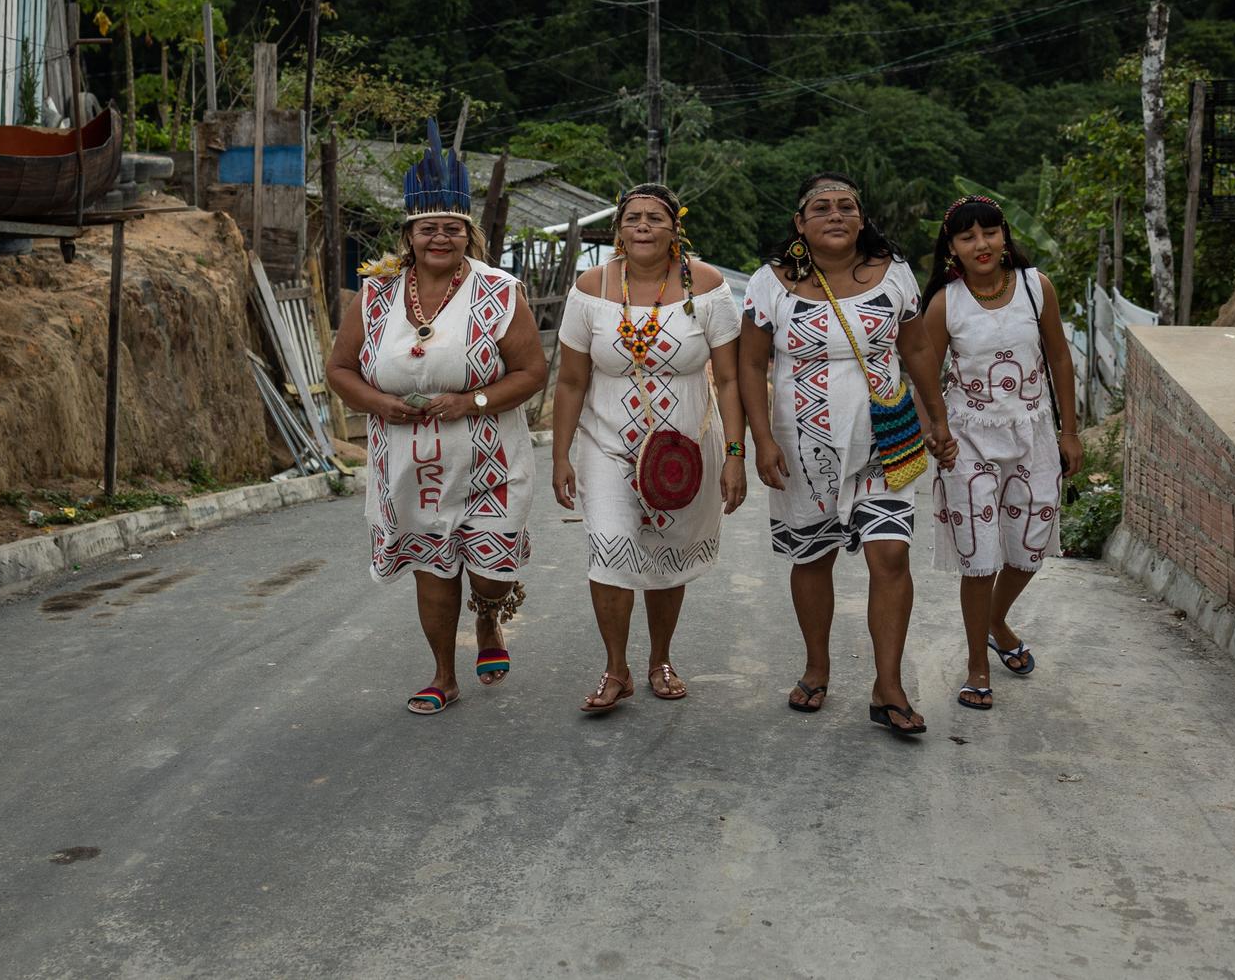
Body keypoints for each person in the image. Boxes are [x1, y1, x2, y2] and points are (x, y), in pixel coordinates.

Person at [324, 118, 547, 715]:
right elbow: (341, 370)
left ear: (468, 235)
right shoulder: (374, 295)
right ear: (410, 235)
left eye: (452, 229)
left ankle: (492, 612)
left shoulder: (500, 291)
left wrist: (470, 401)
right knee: (432, 566)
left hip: (489, 458)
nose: (439, 239)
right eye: (428, 229)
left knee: (491, 564)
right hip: (409, 462)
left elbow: (531, 373)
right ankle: (444, 674)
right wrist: (378, 404)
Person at [737, 172, 949, 739]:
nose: (836, 215)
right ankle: (817, 666)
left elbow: (918, 347)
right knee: (812, 558)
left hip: (884, 439)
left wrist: (938, 418)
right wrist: (761, 439)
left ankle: (889, 687)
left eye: (847, 207)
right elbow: (751, 365)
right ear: (799, 224)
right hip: (800, 446)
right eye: (822, 208)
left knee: (891, 558)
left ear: (862, 218)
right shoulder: (770, 284)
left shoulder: (893, 274)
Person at [552, 183, 746, 712]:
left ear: (674, 228)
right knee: (610, 549)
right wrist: (560, 455)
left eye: (655, 217)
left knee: (668, 552)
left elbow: (729, 380)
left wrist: (734, 454)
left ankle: (660, 658)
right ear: (618, 229)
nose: (643, 225)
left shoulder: (706, 287)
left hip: (684, 450)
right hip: (607, 442)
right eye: (633, 217)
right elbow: (570, 381)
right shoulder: (591, 287)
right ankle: (617, 668)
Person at [918, 194, 1082, 714]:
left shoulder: (1037, 289)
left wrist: (1071, 432)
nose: (981, 245)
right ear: (952, 248)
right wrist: (934, 430)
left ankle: (995, 620)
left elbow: (1058, 355)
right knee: (979, 556)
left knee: (1032, 544)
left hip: (1033, 434)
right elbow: (923, 373)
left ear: (1004, 236)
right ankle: (976, 666)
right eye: (967, 237)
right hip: (967, 442)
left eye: (989, 233)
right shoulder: (946, 302)